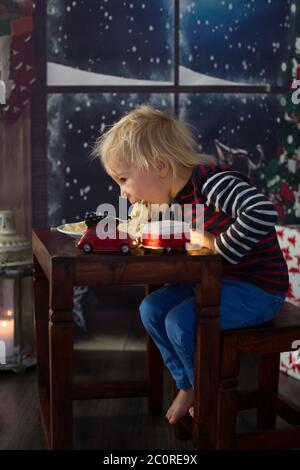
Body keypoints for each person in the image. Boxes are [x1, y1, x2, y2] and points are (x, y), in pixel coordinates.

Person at [91, 104, 289, 425]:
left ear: (159, 165)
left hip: (259, 289)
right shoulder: (177, 197)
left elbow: (262, 212)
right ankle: (190, 383)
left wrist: (216, 246)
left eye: (124, 180)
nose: (123, 194)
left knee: (181, 322)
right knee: (151, 309)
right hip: (218, 282)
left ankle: (203, 391)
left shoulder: (213, 184)